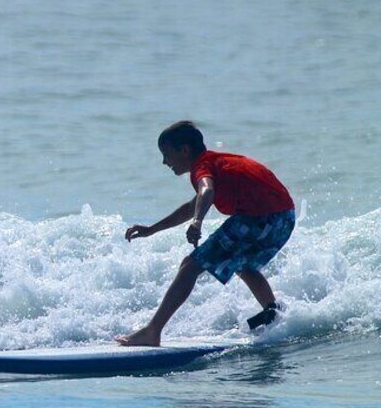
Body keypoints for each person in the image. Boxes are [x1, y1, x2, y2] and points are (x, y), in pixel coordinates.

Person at [117, 121, 295, 347]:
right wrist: (152, 230)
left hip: (259, 217)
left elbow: (206, 190)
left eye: (166, 154)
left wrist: (198, 222)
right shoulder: (217, 163)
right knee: (242, 263)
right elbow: (193, 205)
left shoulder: (202, 167)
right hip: (285, 217)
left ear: (184, 151)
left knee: (190, 266)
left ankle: (152, 331)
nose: (164, 162)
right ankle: (273, 315)